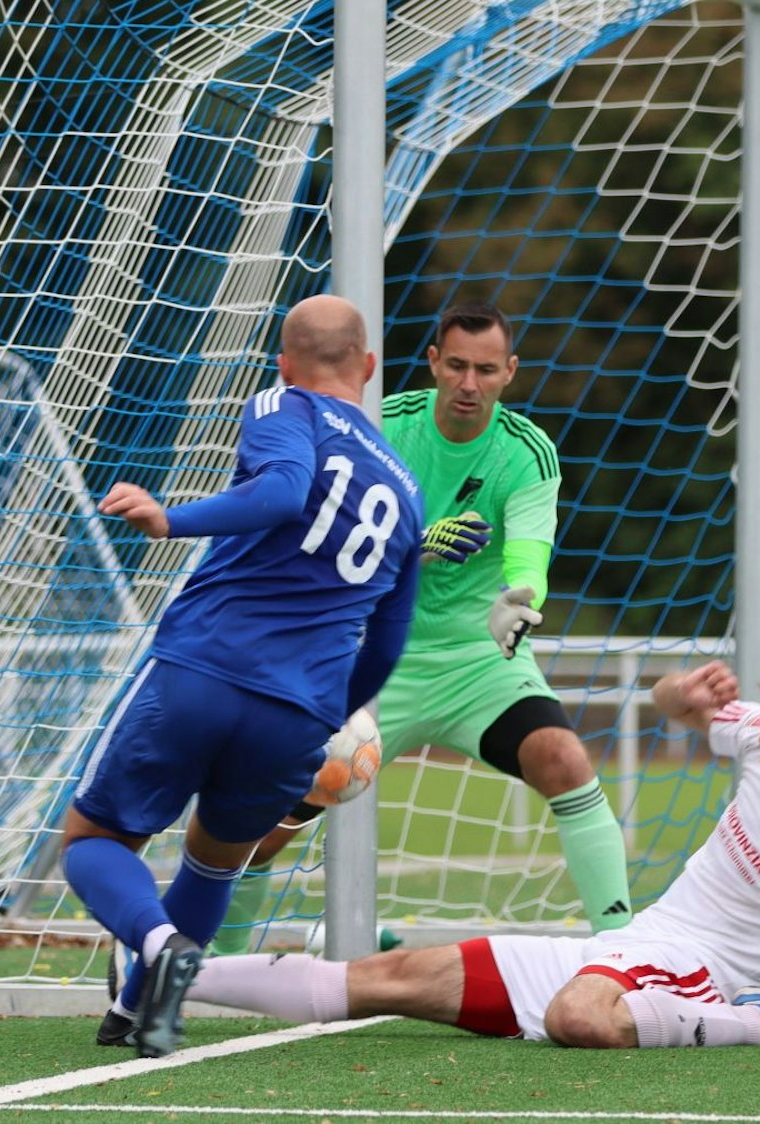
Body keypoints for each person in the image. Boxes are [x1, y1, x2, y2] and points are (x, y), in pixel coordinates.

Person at [187, 660, 760, 1051]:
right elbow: (677, 704)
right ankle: (163, 977)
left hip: (704, 975)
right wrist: (686, 689)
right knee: (395, 977)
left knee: (581, 1019)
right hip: (640, 949)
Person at [63, 295, 425, 1057]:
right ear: (366, 367)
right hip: (300, 712)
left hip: (207, 667)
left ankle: (159, 948)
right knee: (214, 857)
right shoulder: (406, 492)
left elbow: (285, 489)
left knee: (92, 838)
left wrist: (172, 518)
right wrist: (334, 710)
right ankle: (139, 1012)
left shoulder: (282, 402)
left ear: (284, 362)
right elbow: (389, 643)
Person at [213, 301, 634, 955]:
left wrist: (520, 597)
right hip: (372, 656)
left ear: (509, 372)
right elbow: (320, 531)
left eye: (486, 370)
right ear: (434, 362)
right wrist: (412, 544)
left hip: (475, 660)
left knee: (564, 759)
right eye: (458, 366)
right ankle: (220, 956)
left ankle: (623, 950)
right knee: (271, 813)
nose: (470, 384)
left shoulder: (527, 453)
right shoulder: (380, 425)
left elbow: (529, 550)